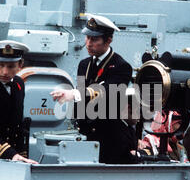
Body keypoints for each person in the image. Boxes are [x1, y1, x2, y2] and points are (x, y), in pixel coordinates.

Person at [51, 14, 133, 163]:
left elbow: (107, 92)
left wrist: (74, 94)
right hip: (86, 139)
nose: (88, 43)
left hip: (111, 143)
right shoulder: (84, 64)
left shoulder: (121, 67)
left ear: (108, 40)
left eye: (94, 39)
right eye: (87, 38)